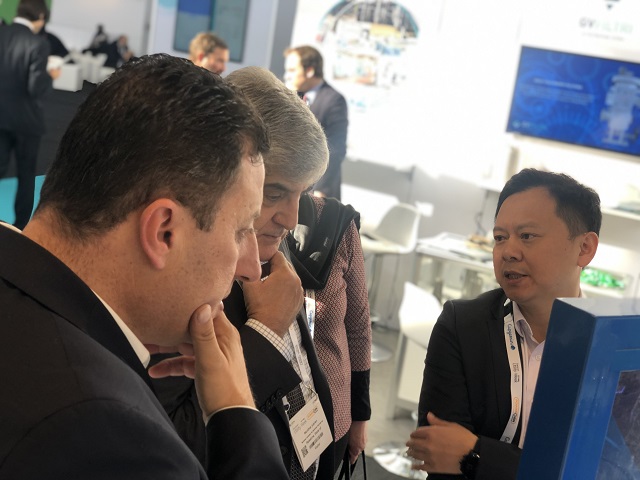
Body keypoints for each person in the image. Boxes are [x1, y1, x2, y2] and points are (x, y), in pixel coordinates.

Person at [0, 53, 289, 479]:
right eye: (241, 230)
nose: (250, 268)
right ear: (163, 231)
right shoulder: (115, 438)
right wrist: (236, 412)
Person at [152, 66, 353, 479]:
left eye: (302, 194)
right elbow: (173, 441)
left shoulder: (273, 241)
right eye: (275, 193)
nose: (292, 218)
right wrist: (264, 332)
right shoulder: (179, 277)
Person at [407, 168, 601, 479]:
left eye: (527, 236)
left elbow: (608, 469)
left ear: (585, 248)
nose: (508, 252)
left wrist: (475, 454)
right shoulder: (462, 326)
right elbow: (440, 457)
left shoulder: (615, 345)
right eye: (500, 238)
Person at [287, 187, 372, 468]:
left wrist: (360, 417)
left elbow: (359, 329)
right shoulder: (248, 228)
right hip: (262, 416)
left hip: (330, 415)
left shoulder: (338, 225)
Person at [0, 0, 61, 230]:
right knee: (26, 176)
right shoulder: (38, 44)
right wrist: (51, 75)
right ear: (40, 17)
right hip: (26, 122)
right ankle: (20, 228)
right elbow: (36, 88)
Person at [284, 45, 348, 200]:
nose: (287, 76)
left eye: (292, 71)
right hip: (287, 188)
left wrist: (320, 191)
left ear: (310, 71)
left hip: (316, 191)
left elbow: (336, 149)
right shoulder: (288, 96)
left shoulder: (334, 100)